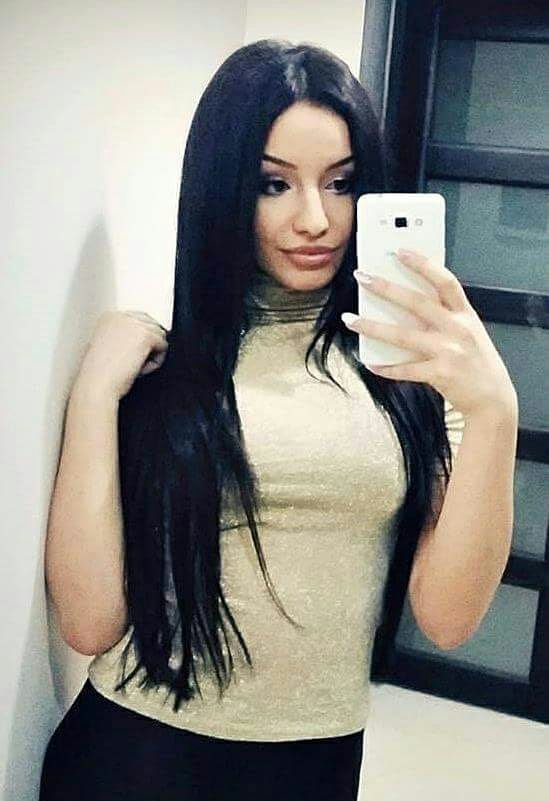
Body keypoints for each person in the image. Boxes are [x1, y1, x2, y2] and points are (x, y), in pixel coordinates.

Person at [40, 38, 466, 801]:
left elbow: (448, 619)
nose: (315, 219)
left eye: (340, 183)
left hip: (316, 762)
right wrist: (95, 395)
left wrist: (494, 407)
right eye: (274, 184)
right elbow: (89, 623)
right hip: (138, 758)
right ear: (224, 190)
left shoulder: (416, 379)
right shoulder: (159, 371)